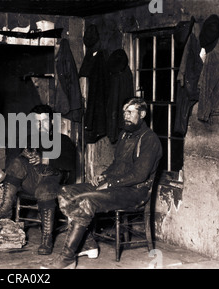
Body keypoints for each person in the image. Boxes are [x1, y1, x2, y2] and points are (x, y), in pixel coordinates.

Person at [42, 97, 162, 269]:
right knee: (65, 193)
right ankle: (89, 244)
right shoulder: (124, 134)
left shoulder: (150, 139)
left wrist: (111, 184)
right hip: (116, 185)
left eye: (130, 112)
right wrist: (103, 176)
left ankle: (68, 257)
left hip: (135, 191)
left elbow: (140, 175)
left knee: (85, 202)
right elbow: (116, 164)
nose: (125, 116)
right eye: (124, 113)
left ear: (142, 114)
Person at [0, 104, 76, 255]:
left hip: (52, 181)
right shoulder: (29, 139)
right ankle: (5, 207)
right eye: (36, 122)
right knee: (16, 162)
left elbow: (70, 164)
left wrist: (45, 159)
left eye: (44, 121)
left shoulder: (63, 140)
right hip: (31, 182)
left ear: (52, 122)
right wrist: (24, 155)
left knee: (44, 189)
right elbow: (13, 164)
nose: (40, 125)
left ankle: (47, 239)